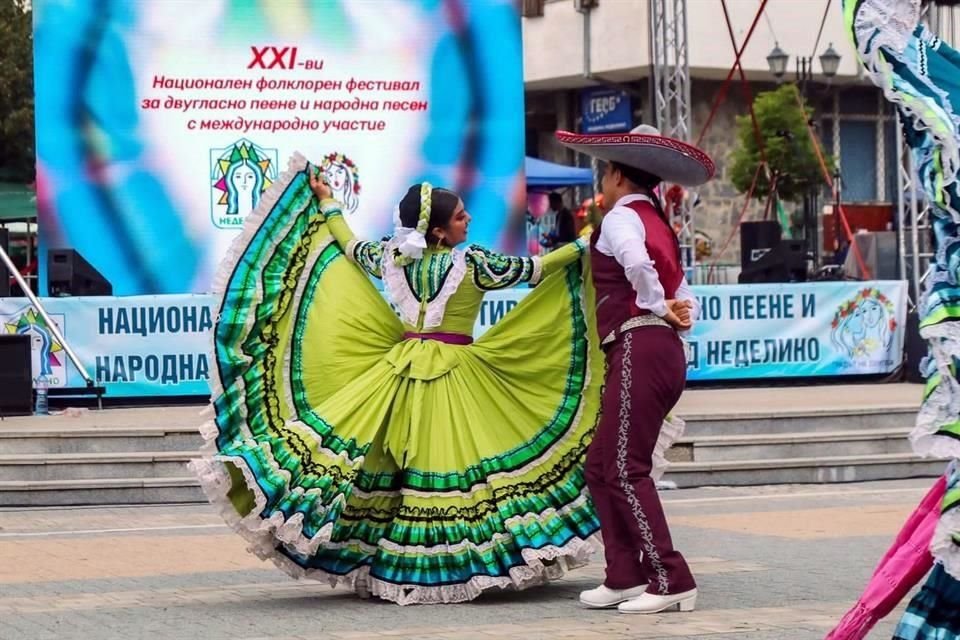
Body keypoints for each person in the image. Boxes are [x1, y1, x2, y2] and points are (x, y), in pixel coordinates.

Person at [191, 151, 611, 605]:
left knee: (397, 468)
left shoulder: (392, 257)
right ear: (438, 230)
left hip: (401, 369)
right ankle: (457, 563)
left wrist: (329, 202)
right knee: (455, 466)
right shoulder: (472, 265)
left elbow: (348, 244)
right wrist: (588, 242)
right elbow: (537, 270)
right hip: (455, 372)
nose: (468, 219)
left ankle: (394, 559)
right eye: (460, 216)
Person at [556, 124, 714, 614]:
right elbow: (684, 291)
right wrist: (674, 310)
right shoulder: (657, 221)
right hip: (658, 350)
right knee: (602, 466)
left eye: (604, 177)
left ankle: (671, 577)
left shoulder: (623, 218)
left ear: (619, 177)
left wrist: (653, 304)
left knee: (625, 468)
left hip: (638, 346)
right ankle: (624, 573)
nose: (602, 187)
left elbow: (636, 264)